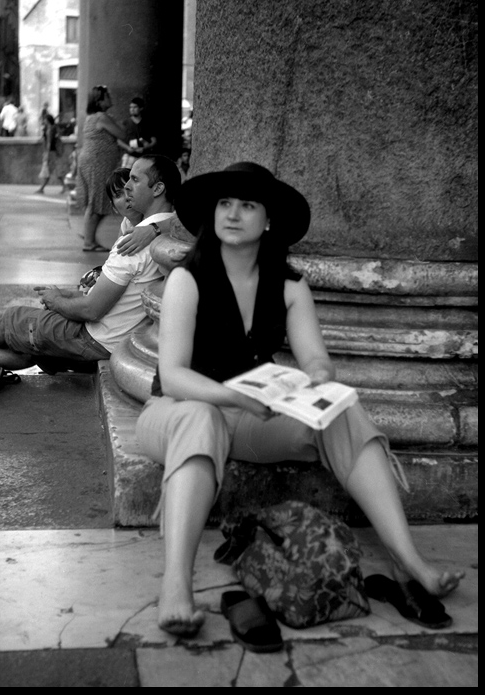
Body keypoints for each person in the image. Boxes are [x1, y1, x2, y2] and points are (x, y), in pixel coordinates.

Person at [135, 160, 464, 638]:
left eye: (247, 205)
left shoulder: (290, 285)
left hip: (249, 417)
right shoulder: (188, 278)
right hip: (175, 413)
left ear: (267, 220)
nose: (232, 213)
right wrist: (234, 396)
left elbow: (316, 360)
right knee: (202, 416)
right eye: (225, 203)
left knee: (343, 410)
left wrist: (314, 381)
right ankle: (176, 586)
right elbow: (174, 375)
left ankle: (409, 560)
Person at [0, 155, 181, 375]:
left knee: (13, 318)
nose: (127, 186)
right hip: (113, 338)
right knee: (28, 347)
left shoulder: (133, 245)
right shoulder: (163, 228)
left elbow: (92, 310)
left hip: (95, 339)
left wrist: (55, 301)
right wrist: (157, 227)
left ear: (158, 188)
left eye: (134, 180)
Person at [76, 85, 127, 252]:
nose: (110, 99)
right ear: (100, 100)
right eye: (107, 96)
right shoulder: (101, 117)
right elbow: (122, 134)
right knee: (96, 201)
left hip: (94, 162)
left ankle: (90, 238)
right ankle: (88, 242)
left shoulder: (93, 117)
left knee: (98, 201)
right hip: (97, 164)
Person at [118, 96, 158, 168]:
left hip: (144, 158)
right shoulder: (125, 123)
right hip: (129, 156)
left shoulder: (147, 123)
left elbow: (154, 141)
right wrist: (128, 148)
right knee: (125, 176)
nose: (132, 109)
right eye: (131, 107)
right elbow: (118, 140)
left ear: (141, 108)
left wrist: (144, 148)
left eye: (135, 107)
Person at [35, 112, 61, 194]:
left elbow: (49, 142)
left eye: (45, 119)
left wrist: (47, 153)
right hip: (52, 151)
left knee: (48, 170)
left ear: (47, 120)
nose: (44, 121)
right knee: (51, 170)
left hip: (50, 152)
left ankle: (42, 188)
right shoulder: (51, 128)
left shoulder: (50, 129)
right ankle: (42, 188)